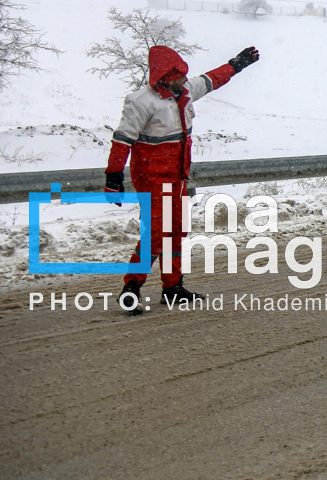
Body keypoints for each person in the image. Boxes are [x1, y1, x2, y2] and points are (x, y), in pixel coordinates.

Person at [107, 44, 259, 312]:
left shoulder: (185, 92)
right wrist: (113, 174)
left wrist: (236, 64)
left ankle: (172, 287)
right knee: (157, 232)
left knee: (177, 230)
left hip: (177, 177)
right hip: (151, 177)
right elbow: (122, 139)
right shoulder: (140, 102)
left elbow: (211, 80)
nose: (184, 78)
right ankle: (132, 287)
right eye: (178, 75)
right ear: (164, 77)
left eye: (184, 73)